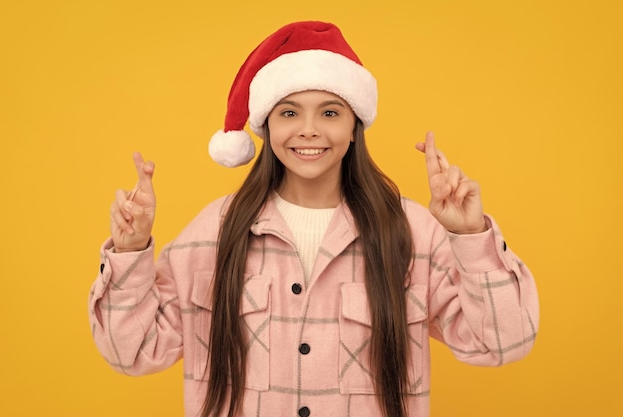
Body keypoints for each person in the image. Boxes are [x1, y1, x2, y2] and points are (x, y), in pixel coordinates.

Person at [89, 21, 539, 417]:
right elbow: (132, 353)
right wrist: (129, 253)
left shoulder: (412, 233)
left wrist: (469, 235)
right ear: (266, 126)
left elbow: (503, 343)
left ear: (353, 126)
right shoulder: (215, 232)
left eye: (329, 112)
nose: (308, 129)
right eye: (289, 112)